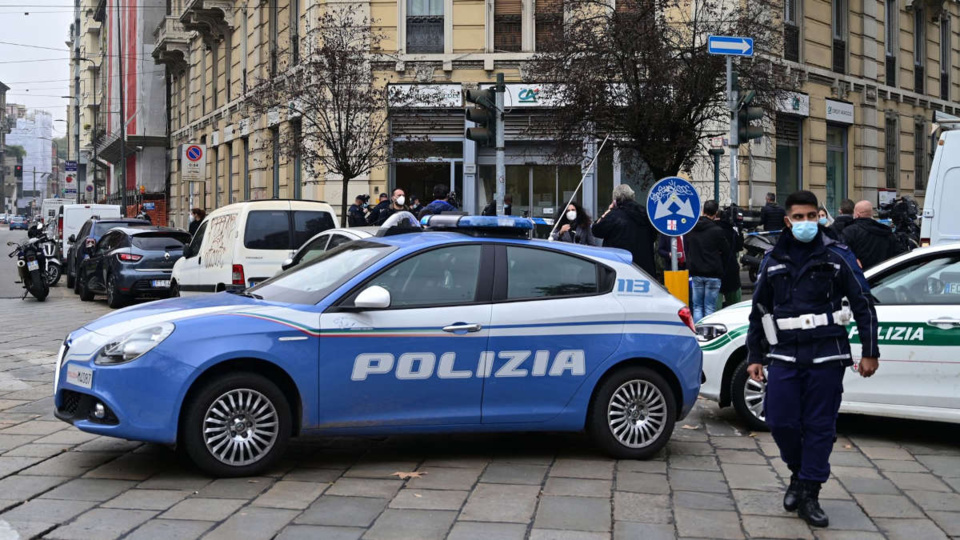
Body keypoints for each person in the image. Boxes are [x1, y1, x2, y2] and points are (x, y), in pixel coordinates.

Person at [746, 190, 879, 529]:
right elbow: (759, 310)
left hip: (826, 352)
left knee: (819, 426)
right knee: (779, 420)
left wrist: (870, 351)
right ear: (788, 220)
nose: (806, 223)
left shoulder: (838, 255)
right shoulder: (773, 259)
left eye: (811, 216)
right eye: (799, 217)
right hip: (784, 353)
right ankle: (799, 474)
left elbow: (862, 302)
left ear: (820, 216)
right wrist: (754, 356)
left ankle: (810, 492)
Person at [592, 184, 657, 277]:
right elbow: (653, 236)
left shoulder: (613, 216)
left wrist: (607, 212)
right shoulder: (645, 214)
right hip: (645, 270)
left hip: (620, 269)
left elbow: (596, 230)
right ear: (633, 197)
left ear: (615, 200)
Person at [684, 200, 733, 322]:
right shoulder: (717, 231)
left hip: (696, 272)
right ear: (715, 214)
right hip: (713, 273)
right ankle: (708, 335)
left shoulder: (692, 229)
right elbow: (726, 250)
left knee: (697, 307)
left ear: (702, 211)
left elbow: (688, 246)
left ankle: (698, 332)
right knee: (710, 307)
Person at [840, 200, 906, 270]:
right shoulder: (885, 231)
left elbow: (842, 255)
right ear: (871, 214)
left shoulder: (850, 231)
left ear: (857, 214)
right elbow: (899, 255)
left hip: (861, 276)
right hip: (885, 275)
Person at [717, 204, 744, 307]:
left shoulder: (713, 230)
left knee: (715, 309)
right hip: (731, 271)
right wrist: (739, 230)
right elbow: (739, 246)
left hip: (716, 272)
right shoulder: (732, 232)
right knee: (734, 307)